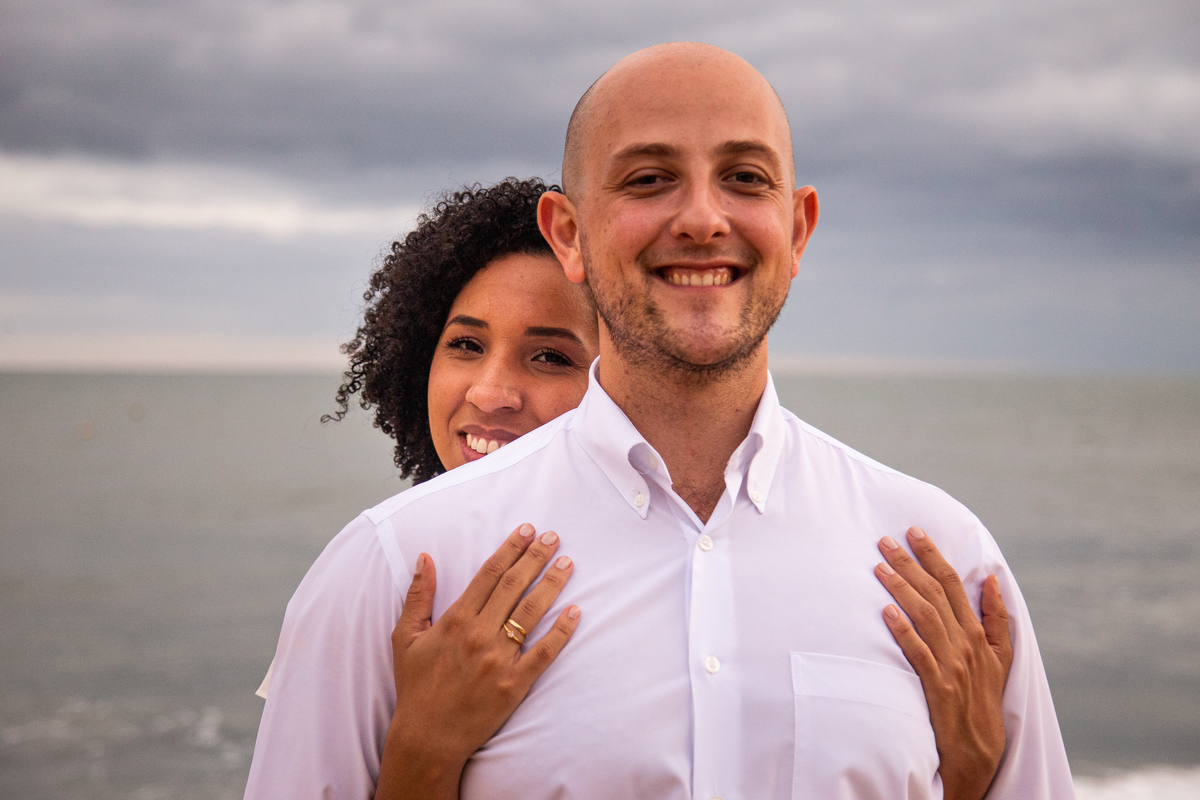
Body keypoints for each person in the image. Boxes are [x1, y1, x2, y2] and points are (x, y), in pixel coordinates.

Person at [247, 43, 1073, 799]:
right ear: (567, 235)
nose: (704, 219)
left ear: (797, 229)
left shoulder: (949, 566)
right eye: (648, 179)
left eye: (746, 178)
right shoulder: (392, 569)